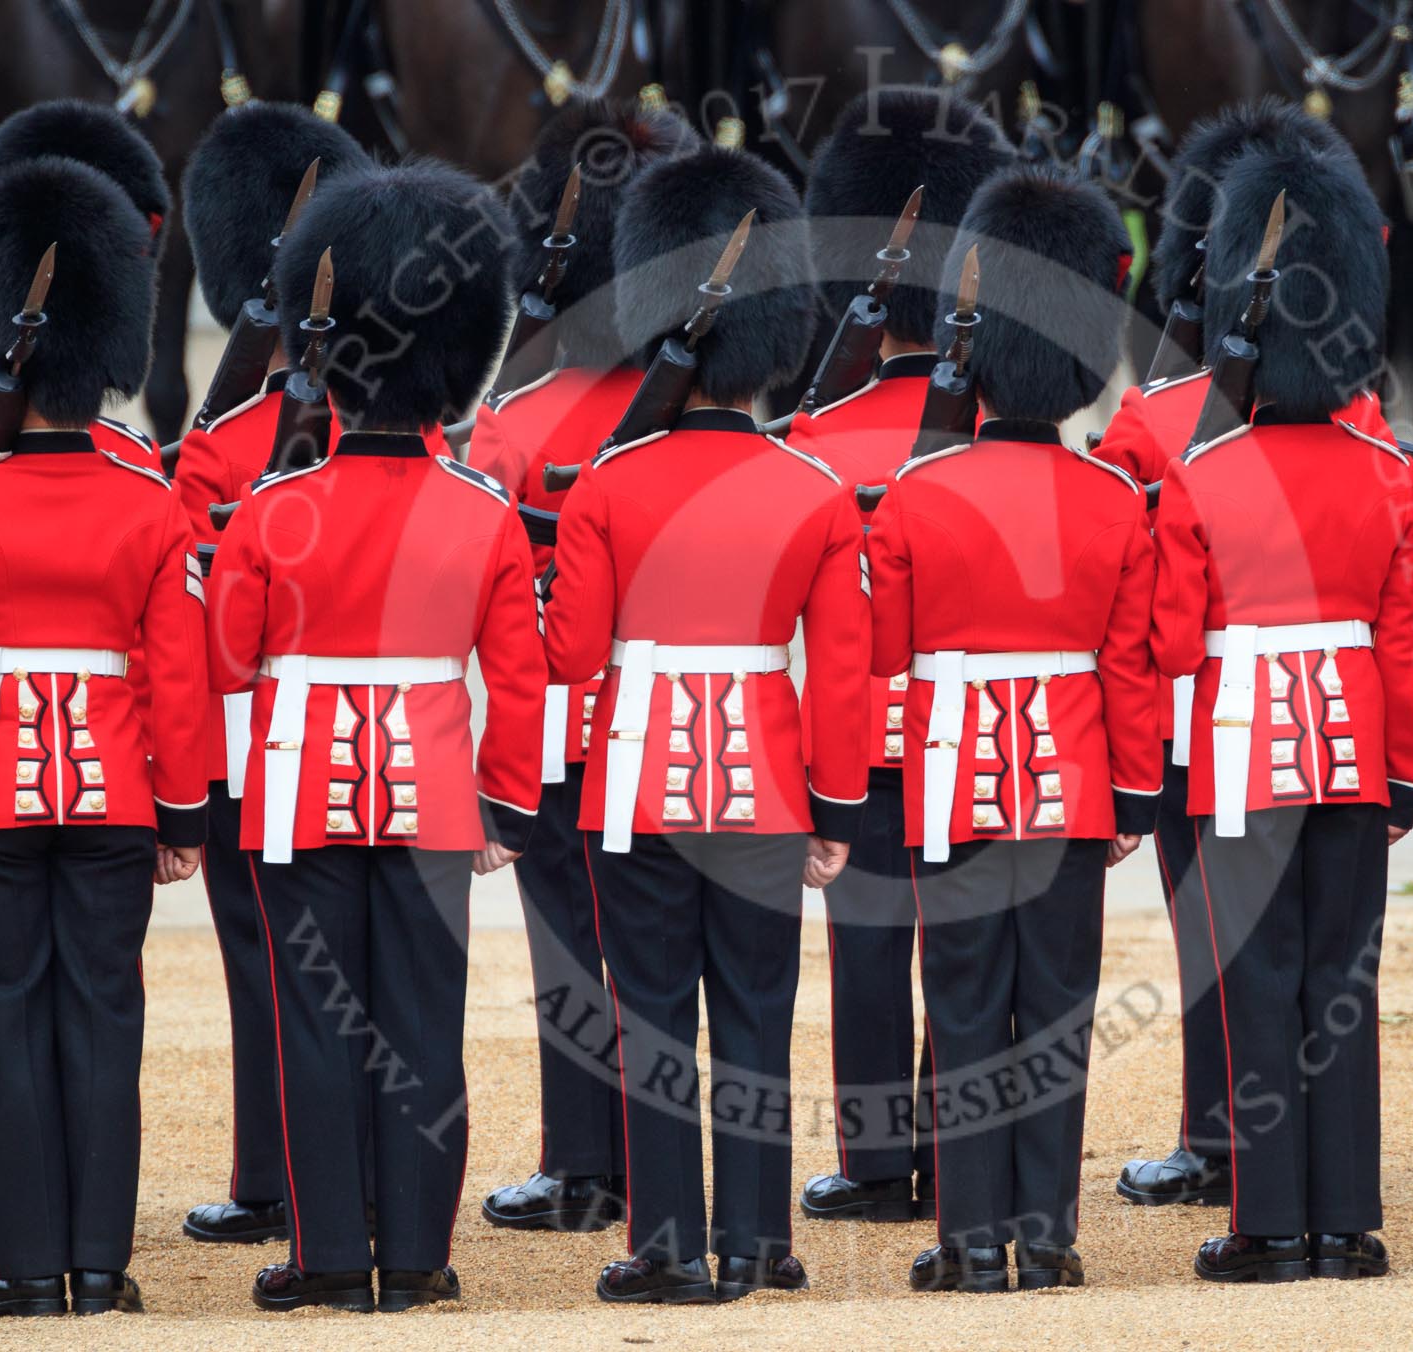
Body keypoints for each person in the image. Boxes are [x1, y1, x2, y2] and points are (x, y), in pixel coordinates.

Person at [0, 151, 210, 1318]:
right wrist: (182, 812)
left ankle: (22, 1263)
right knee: (105, 1020)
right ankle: (101, 1265)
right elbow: (177, 673)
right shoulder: (147, 497)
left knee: (6, 1021)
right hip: (116, 793)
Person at [208, 158, 547, 1314]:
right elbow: (521, 675)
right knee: (421, 1028)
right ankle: (415, 1254)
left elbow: (225, 659)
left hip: (303, 791)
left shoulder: (271, 511)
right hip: (437, 799)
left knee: (315, 1031)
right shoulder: (485, 514)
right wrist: (505, 801)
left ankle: (326, 1256)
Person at [543, 141, 868, 1304]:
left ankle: (668, 1241)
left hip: (637, 786)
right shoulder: (816, 493)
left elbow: (570, 655)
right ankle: (757, 1238)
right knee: (756, 1016)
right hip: (770, 789)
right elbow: (841, 671)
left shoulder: (608, 486)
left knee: (654, 1023)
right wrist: (837, 808)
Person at [865, 164, 1159, 1294]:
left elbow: (884, 652)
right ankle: (1049, 1232)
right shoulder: (1110, 501)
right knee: (1058, 1013)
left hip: (950, 781)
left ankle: (970, 1235)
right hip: (1075, 783)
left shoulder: (919, 496)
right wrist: (1134, 793)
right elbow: (1128, 667)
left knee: (968, 1004)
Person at [1106, 94, 1393, 1213]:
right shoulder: (1359, 427)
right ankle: (1312, 1169)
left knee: (1225, 946)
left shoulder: (1155, 419)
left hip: (1201, 717)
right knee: (1316, 957)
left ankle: (1225, 1145)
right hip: (1328, 726)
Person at [1150, 131, 1413, 1284]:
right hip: (1355, 744)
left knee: (1257, 978)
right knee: (1340, 978)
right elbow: (1402, 643)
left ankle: (1267, 1224)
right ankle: (1345, 1221)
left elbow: (1170, 637)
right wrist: (1406, 774)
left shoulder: (1205, 475)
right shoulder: (1382, 471)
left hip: (1241, 752)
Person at [783, 85, 1013, 1226]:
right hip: (979, 724)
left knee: (870, 951)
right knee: (972, 957)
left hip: (863, 732)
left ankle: (878, 1164)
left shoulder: (818, 437)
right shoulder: (1006, 424)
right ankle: (964, 1156)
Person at [470, 94, 695, 1237]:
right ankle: (662, 1167)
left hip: (563, 719)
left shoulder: (514, 415)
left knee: (571, 943)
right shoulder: (706, 400)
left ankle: (583, 1163)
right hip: (689, 713)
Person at [171, 97, 370, 1248]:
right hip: (385, 736)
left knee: (265, 958)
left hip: (262, 740)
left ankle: (274, 1174)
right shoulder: (400, 422)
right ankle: (363, 1170)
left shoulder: (223, 443)